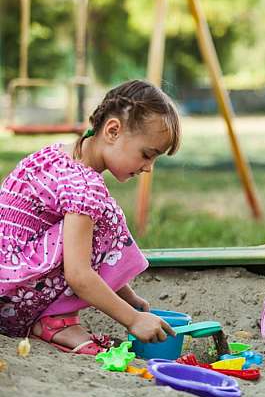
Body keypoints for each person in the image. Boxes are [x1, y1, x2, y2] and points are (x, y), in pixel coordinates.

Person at [0, 79, 181, 355]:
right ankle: (56, 322)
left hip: (9, 286)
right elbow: (78, 274)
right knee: (104, 217)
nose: (148, 167)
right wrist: (133, 319)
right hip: (15, 304)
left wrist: (127, 297)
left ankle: (52, 316)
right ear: (112, 130)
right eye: (147, 154)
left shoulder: (57, 155)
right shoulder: (85, 187)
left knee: (99, 215)